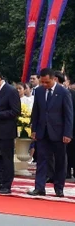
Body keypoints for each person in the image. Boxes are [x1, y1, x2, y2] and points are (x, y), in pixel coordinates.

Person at [29, 67, 74, 197]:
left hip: (59, 133)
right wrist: (34, 130)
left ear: (54, 79)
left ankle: (59, 188)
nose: (44, 85)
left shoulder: (64, 92)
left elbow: (68, 115)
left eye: (47, 82)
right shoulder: (38, 91)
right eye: (42, 82)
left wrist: (67, 133)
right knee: (42, 160)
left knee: (60, 161)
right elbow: (35, 112)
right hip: (42, 132)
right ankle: (39, 188)